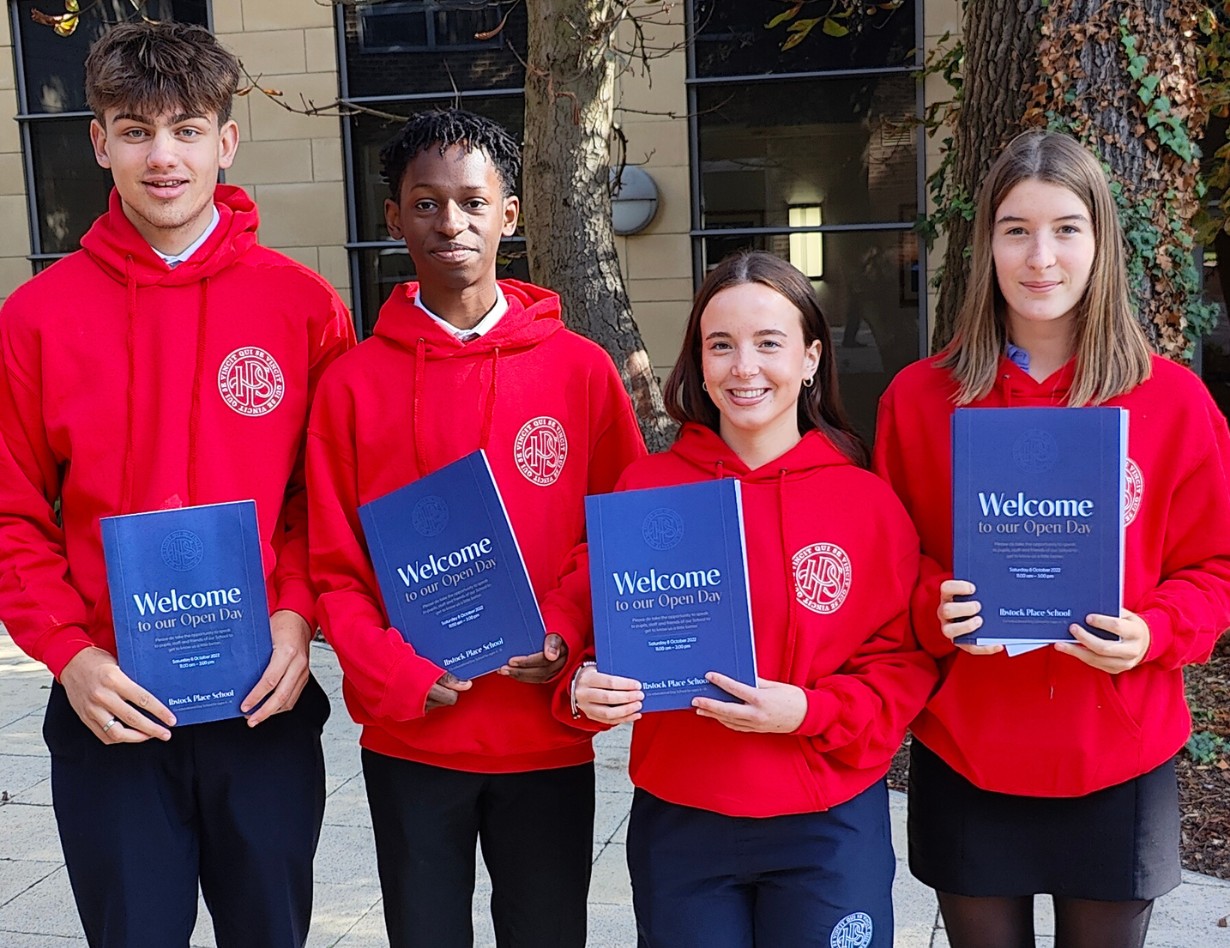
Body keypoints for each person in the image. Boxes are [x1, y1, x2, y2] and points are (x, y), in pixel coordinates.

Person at [0, 21, 355, 948]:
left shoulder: (303, 308)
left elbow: (329, 499)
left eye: (188, 128)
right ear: (98, 141)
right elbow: (11, 513)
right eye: (135, 128)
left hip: (262, 703)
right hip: (109, 705)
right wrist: (70, 654)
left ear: (226, 141)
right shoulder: (35, 319)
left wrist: (297, 612)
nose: (164, 156)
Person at [873, 130, 1230, 948]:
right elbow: (889, 565)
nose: (1042, 256)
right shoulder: (921, 400)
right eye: (1016, 229)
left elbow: (1216, 565)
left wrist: (1156, 631)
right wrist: (935, 606)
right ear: (986, 244)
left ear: (1100, 242)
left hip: (1119, 750)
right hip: (969, 746)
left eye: (1067, 228)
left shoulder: (1171, 403)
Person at [306, 107, 646, 948]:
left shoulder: (581, 371)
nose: (449, 222)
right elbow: (332, 565)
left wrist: (566, 631)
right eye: (425, 203)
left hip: (544, 736)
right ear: (394, 218)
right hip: (414, 736)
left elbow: (622, 531)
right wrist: (391, 668)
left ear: (511, 214)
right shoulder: (351, 385)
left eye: (470, 201)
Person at [561, 250, 937, 947]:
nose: (744, 368)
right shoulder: (648, 490)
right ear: (698, 361)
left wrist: (811, 709)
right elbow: (591, 635)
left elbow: (904, 664)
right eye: (721, 345)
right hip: (684, 820)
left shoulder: (867, 501)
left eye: (769, 343)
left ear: (811, 357)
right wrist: (584, 685)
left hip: (828, 822)